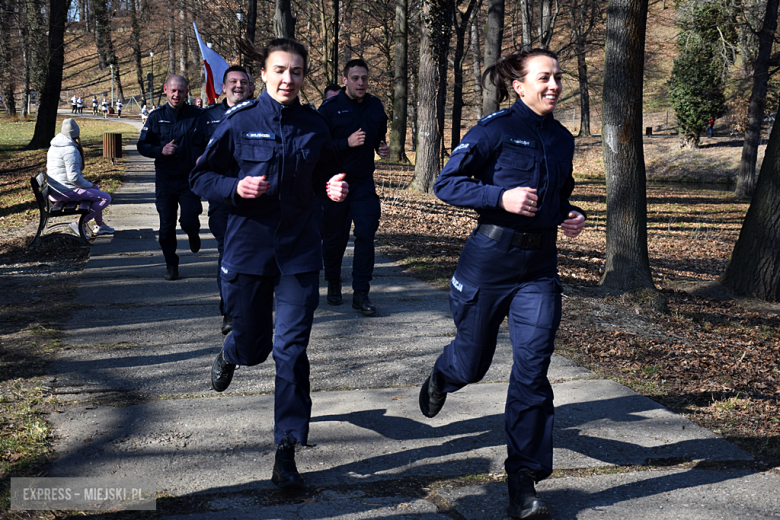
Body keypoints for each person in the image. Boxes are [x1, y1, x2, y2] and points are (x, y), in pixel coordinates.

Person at [418, 49, 586, 520]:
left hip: (539, 268)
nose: (553, 85)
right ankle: (443, 375)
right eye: (544, 78)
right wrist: (500, 196)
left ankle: (523, 481)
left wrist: (571, 215)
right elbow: (447, 184)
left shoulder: (561, 139)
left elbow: (560, 194)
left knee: (532, 373)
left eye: (557, 77)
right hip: (488, 262)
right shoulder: (493, 129)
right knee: (472, 363)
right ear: (519, 85)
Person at [190, 38, 348, 491]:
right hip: (249, 251)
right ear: (264, 73)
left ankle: (287, 448)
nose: (287, 79)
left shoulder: (315, 126)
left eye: (296, 72)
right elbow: (200, 176)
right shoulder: (240, 122)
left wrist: (334, 190)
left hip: (299, 252)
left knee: (292, 351)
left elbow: (328, 177)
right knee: (255, 347)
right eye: (280, 70)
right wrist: (235, 188)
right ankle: (231, 352)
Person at [318, 59, 389, 316]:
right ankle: (334, 280)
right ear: (345, 80)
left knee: (366, 233)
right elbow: (319, 147)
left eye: (365, 78)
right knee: (335, 238)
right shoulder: (329, 108)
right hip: (337, 184)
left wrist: (382, 147)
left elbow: (379, 135)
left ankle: (361, 293)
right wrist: (345, 142)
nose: (361, 83)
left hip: (364, 183)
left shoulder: (376, 107)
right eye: (355, 78)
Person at [192, 65, 253, 335]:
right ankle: (229, 311)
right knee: (227, 255)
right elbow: (195, 154)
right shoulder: (208, 118)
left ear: (251, 86)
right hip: (223, 200)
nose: (238, 86)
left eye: (243, 82)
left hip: (256, 201)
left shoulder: (260, 116)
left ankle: (250, 305)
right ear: (223, 87)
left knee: (252, 258)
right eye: (233, 82)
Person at [137, 74, 203, 281]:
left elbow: (208, 142)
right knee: (166, 225)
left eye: (181, 91)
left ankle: (193, 233)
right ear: (166, 90)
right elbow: (142, 145)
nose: (177, 95)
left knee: (190, 219)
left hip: (189, 180)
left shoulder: (197, 116)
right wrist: (160, 150)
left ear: (186, 92)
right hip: (165, 180)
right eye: (173, 90)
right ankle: (171, 265)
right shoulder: (156, 116)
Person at [46, 119, 115, 236]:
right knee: (105, 198)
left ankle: (100, 225)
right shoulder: (70, 150)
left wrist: (91, 186)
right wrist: (89, 185)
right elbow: (73, 178)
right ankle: (79, 223)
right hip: (64, 192)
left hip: (57, 190)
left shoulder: (54, 145)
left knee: (96, 189)